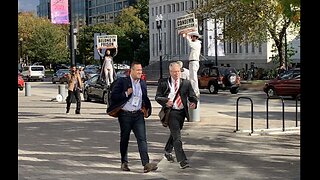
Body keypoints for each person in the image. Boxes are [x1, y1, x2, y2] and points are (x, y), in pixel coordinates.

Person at [107, 61, 158, 173]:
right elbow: (114, 96)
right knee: (125, 138)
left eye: (141, 70)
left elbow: (144, 97)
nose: (140, 72)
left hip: (138, 115)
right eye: (138, 70)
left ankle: (146, 164)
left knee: (142, 139)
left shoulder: (142, 83)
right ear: (132, 71)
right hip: (125, 115)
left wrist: (146, 109)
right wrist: (126, 93)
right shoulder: (122, 81)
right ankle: (124, 162)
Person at [155, 62, 198, 169]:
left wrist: (193, 102)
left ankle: (167, 151)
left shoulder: (186, 83)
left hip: (182, 113)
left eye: (178, 71)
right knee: (177, 137)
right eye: (174, 72)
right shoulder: (164, 83)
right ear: (170, 72)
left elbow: (192, 96)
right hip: (171, 112)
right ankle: (182, 160)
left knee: (174, 134)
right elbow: (157, 97)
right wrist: (166, 101)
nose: (176, 74)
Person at [182, 31, 202, 96]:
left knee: (193, 77)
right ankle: (192, 90)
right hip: (192, 61)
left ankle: (195, 91)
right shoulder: (196, 43)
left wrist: (186, 36)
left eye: (192, 36)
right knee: (191, 77)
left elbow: (190, 44)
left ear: (195, 37)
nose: (191, 38)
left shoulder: (197, 44)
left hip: (194, 61)